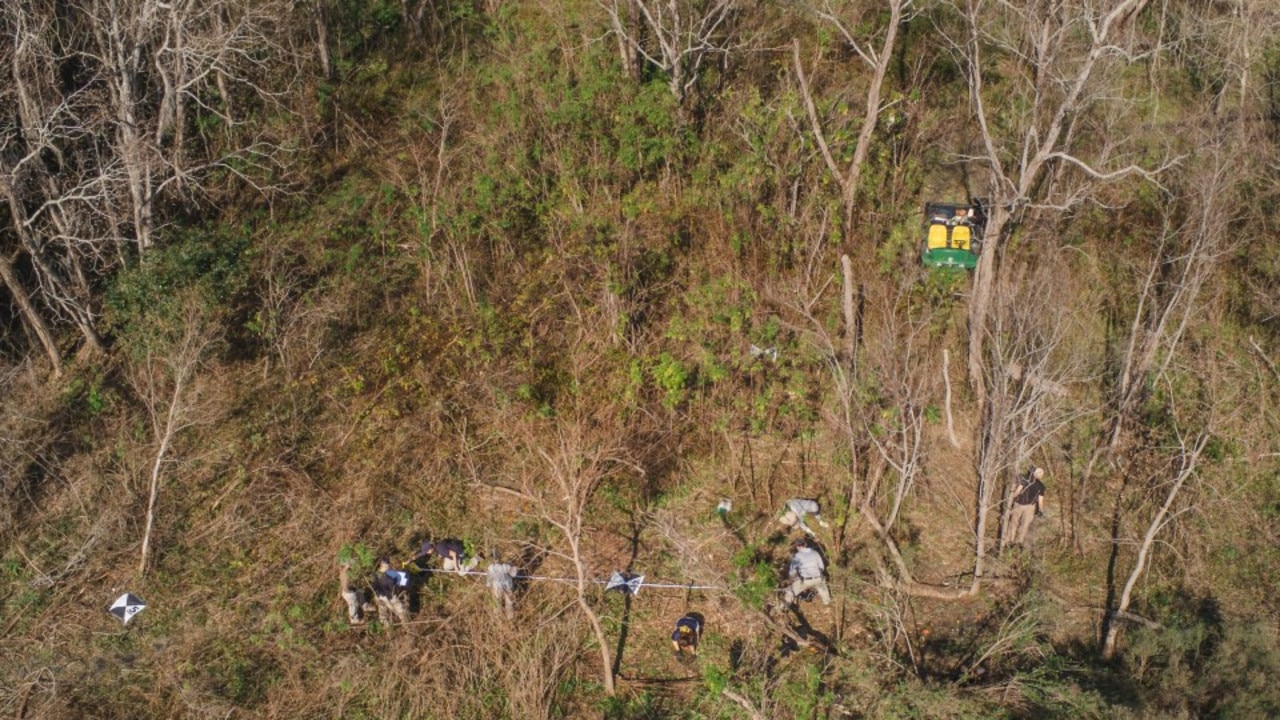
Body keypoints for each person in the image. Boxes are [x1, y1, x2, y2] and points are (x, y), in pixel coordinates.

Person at [783, 538, 831, 607]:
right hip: (818, 579)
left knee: (790, 592)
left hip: (805, 581)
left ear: (797, 546)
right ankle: (827, 602)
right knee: (826, 597)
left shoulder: (797, 556)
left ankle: (784, 606)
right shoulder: (815, 553)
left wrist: (794, 580)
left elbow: (792, 572)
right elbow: (821, 567)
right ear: (805, 544)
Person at [1008, 467, 1047, 547]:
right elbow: (1040, 500)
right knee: (1024, 525)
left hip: (1018, 504)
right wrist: (1041, 511)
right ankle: (1018, 542)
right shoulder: (1041, 486)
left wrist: (1011, 499)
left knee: (1013, 522)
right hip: (1029, 507)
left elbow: (1017, 491)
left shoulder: (1025, 481)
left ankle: (1009, 540)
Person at [372, 557, 410, 624]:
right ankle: (391, 627)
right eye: (387, 564)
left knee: (398, 613)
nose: (388, 566)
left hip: (386, 596)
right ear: (383, 565)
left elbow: (402, 581)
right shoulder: (378, 575)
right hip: (385, 597)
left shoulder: (389, 573)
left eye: (388, 564)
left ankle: (404, 625)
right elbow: (375, 587)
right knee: (396, 612)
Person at [413, 538, 478, 575]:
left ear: (430, 549)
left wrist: (456, 567)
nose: (427, 553)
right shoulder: (435, 546)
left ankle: (476, 559)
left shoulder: (440, 549)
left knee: (461, 573)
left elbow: (453, 554)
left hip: (458, 554)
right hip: (450, 555)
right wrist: (411, 559)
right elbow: (421, 554)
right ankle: (457, 564)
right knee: (446, 567)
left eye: (427, 551)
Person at [485, 554, 518, 618]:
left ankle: (499, 615)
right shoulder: (505, 566)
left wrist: (488, 584)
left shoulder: (491, 567)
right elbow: (514, 573)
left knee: (498, 602)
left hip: (499, 586)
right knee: (507, 601)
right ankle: (508, 615)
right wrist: (514, 567)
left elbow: (489, 579)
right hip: (506, 585)